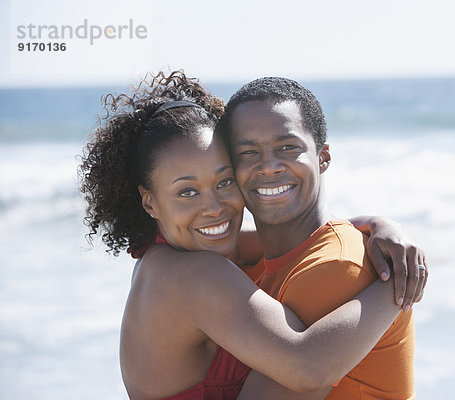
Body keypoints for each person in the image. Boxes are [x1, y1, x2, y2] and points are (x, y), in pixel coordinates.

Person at [79, 71, 426, 400]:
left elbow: (296, 237)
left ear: (323, 157)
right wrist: (393, 287)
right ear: (149, 201)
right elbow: (307, 367)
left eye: (224, 182)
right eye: (187, 192)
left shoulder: (166, 254)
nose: (214, 208)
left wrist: (375, 224)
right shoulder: (197, 275)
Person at [219, 77, 423, 399]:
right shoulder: (257, 256)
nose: (269, 167)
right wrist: (373, 221)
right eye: (248, 152)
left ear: (323, 157)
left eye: (288, 147)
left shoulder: (335, 269)